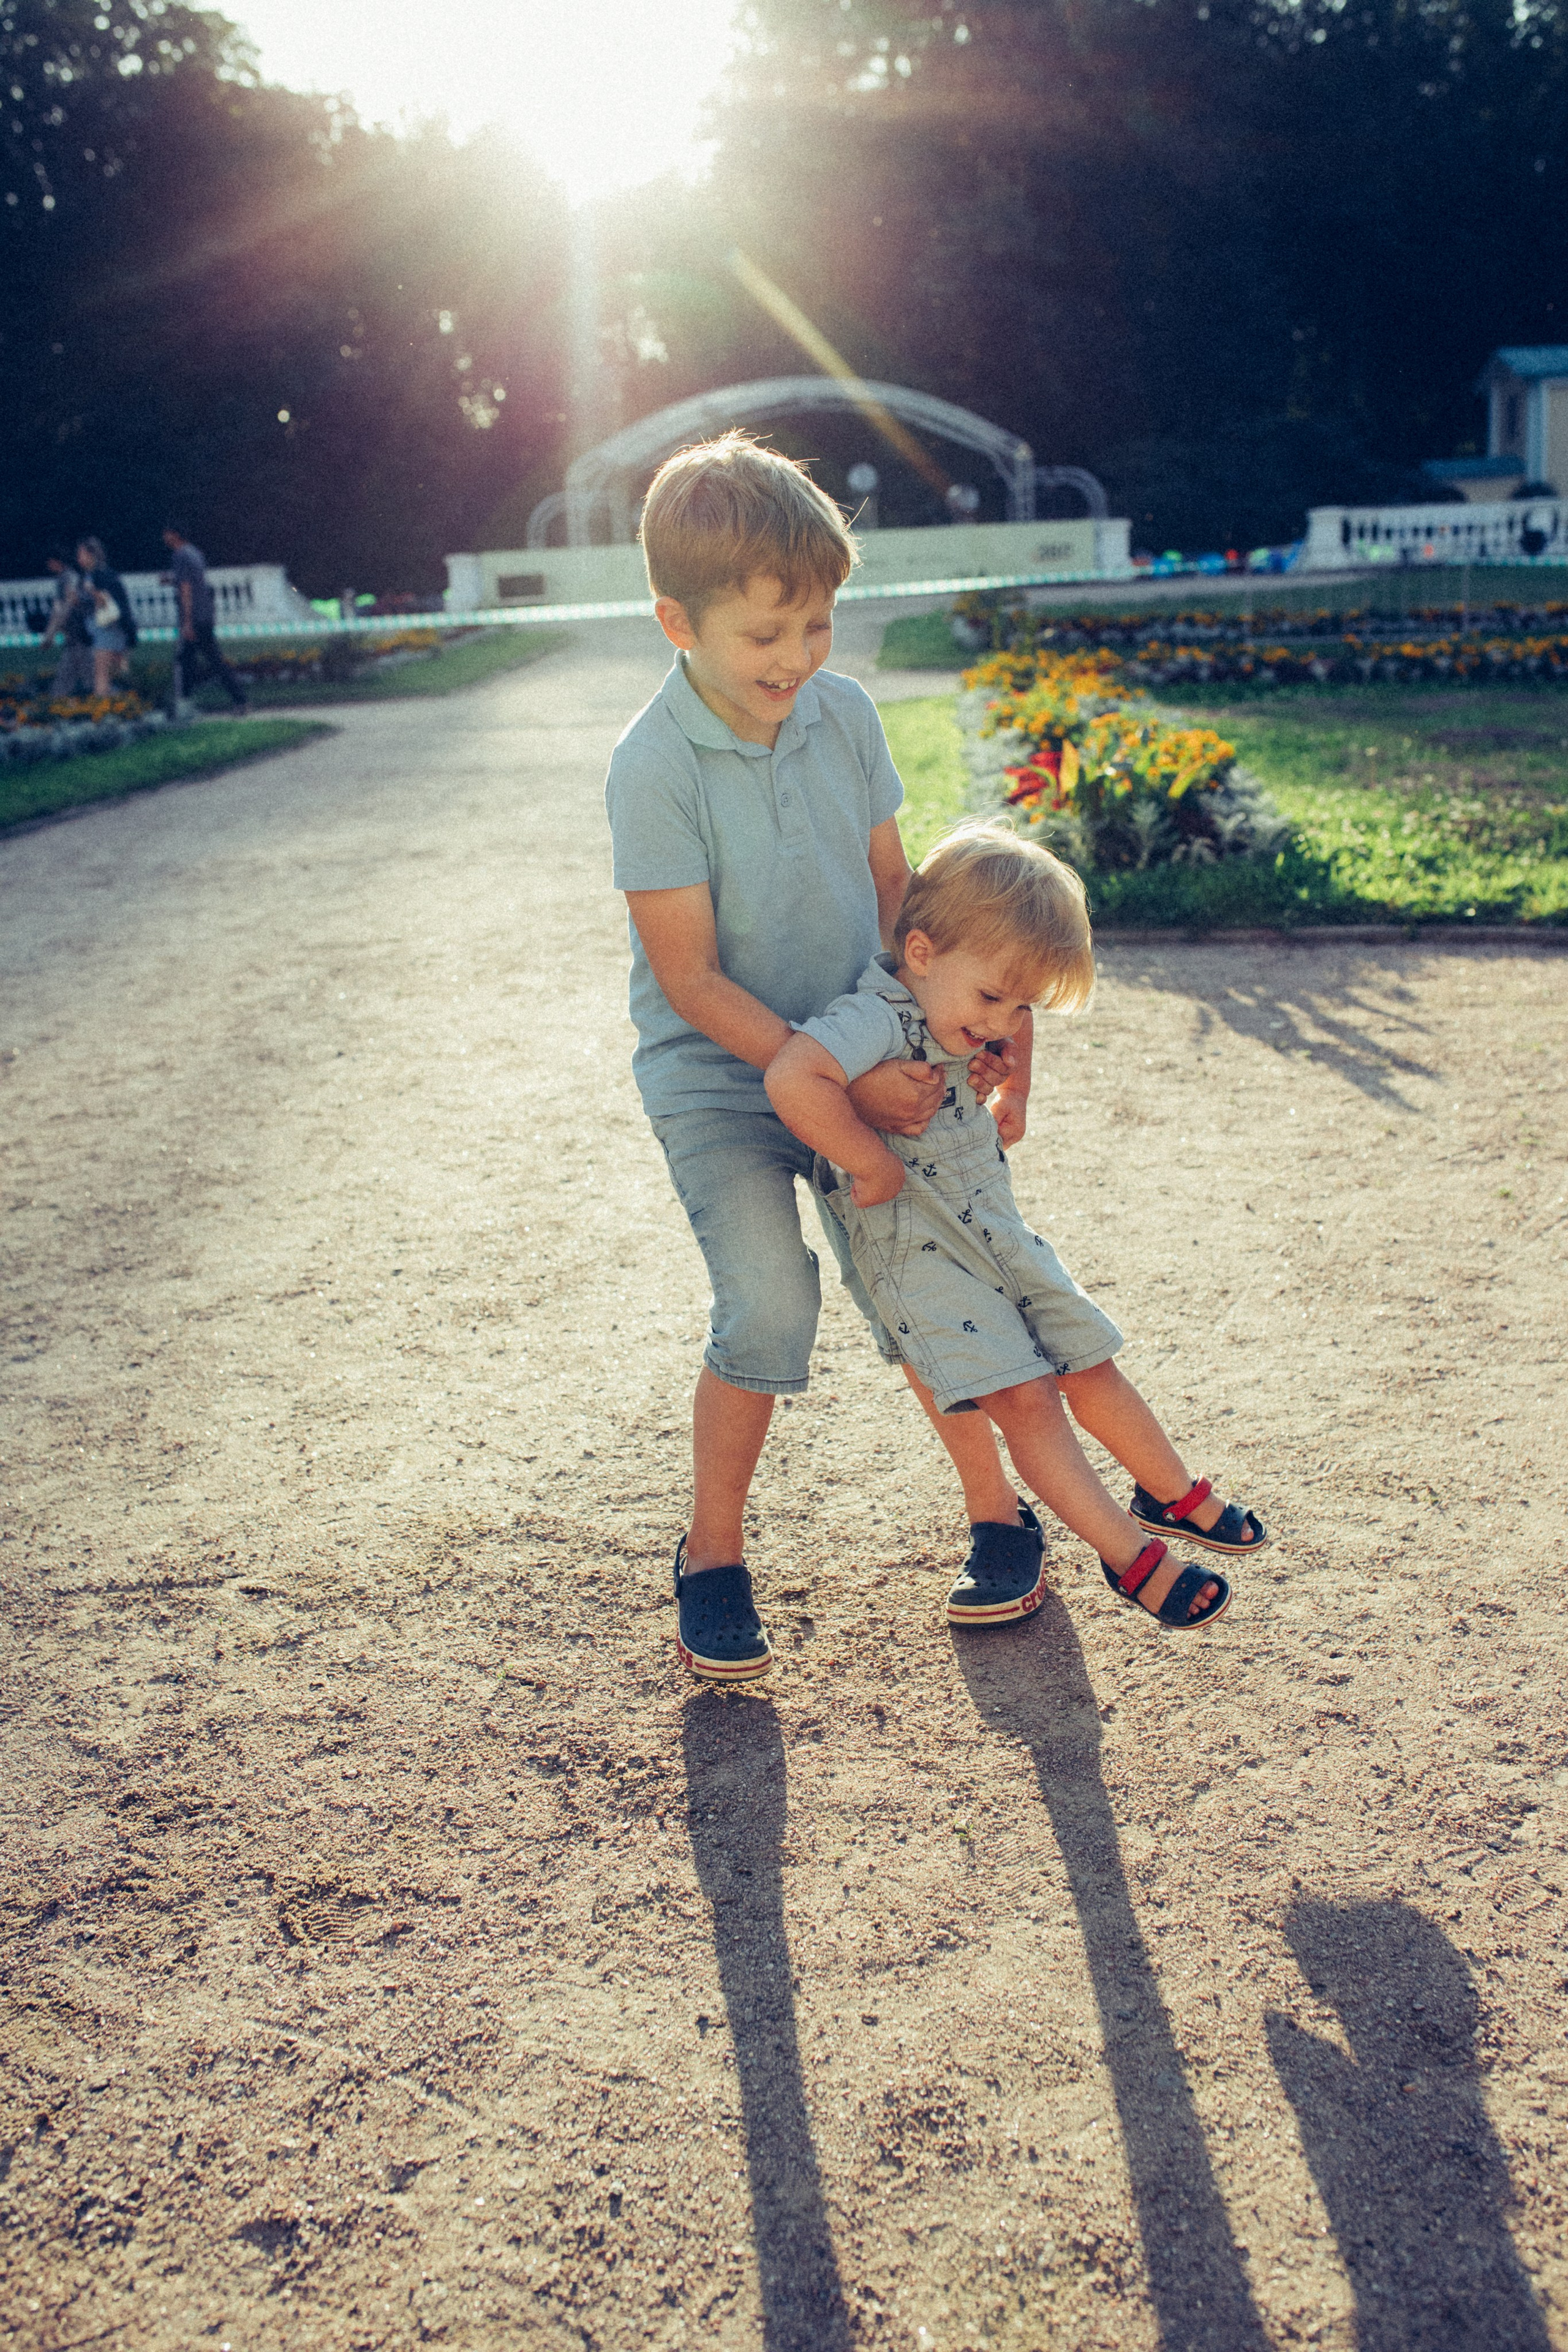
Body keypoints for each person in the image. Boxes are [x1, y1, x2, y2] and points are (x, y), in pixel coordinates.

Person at [605, 431, 1032, 1687]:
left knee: (917, 1280)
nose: (794, 661)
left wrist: (954, 1021)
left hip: (860, 1037)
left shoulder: (840, 716)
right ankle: (712, 1555)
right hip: (719, 1072)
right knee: (769, 1300)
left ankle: (1001, 1523)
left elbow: (896, 888)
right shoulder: (652, 766)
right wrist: (820, 1077)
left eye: (816, 628)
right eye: (762, 636)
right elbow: (688, 979)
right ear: (675, 621)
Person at [764, 824, 1270, 1633]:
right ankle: (1134, 1559)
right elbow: (792, 1074)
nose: (1005, 1021)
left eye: (1021, 1003)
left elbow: (1015, 1025)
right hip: (921, 1253)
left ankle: (1171, 1493)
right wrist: (871, 1161)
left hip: (998, 1229)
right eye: (993, 998)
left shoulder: (965, 1002)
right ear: (921, 952)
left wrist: (1016, 1093)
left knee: (1088, 1359)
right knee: (1029, 1399)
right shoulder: (871, 1019)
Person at [161, 523, 247, 714]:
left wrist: (187, 622)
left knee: (193, 660)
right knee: (195, 659)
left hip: (194, 617)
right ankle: (238, 699)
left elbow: (186, 589)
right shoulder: (195, 553)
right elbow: (193, 582)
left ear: (174, 535)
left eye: (166, 533)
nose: (164, 538)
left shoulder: (180, 556)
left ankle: (185, 702)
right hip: (205, 613)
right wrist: (171, 580)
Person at [75, 537, 138, 699]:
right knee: (115, 671)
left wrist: (90, 592)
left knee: (102, 672)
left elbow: (106, 601)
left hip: (108, 628)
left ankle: (103, 709)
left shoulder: (101, 575)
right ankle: (125, 703)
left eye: (81, 554)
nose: (78, 558)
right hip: (104, 630)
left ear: (91, 555)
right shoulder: (92, 575)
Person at [40, 550, 95, 699]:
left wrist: (50, 635)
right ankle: (58, 698)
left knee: (84, 673)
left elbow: (64, 608)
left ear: (57, 562)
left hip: (79, 632)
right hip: (76, 635)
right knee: (75, 671)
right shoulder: (67, 577)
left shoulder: (67, 578)